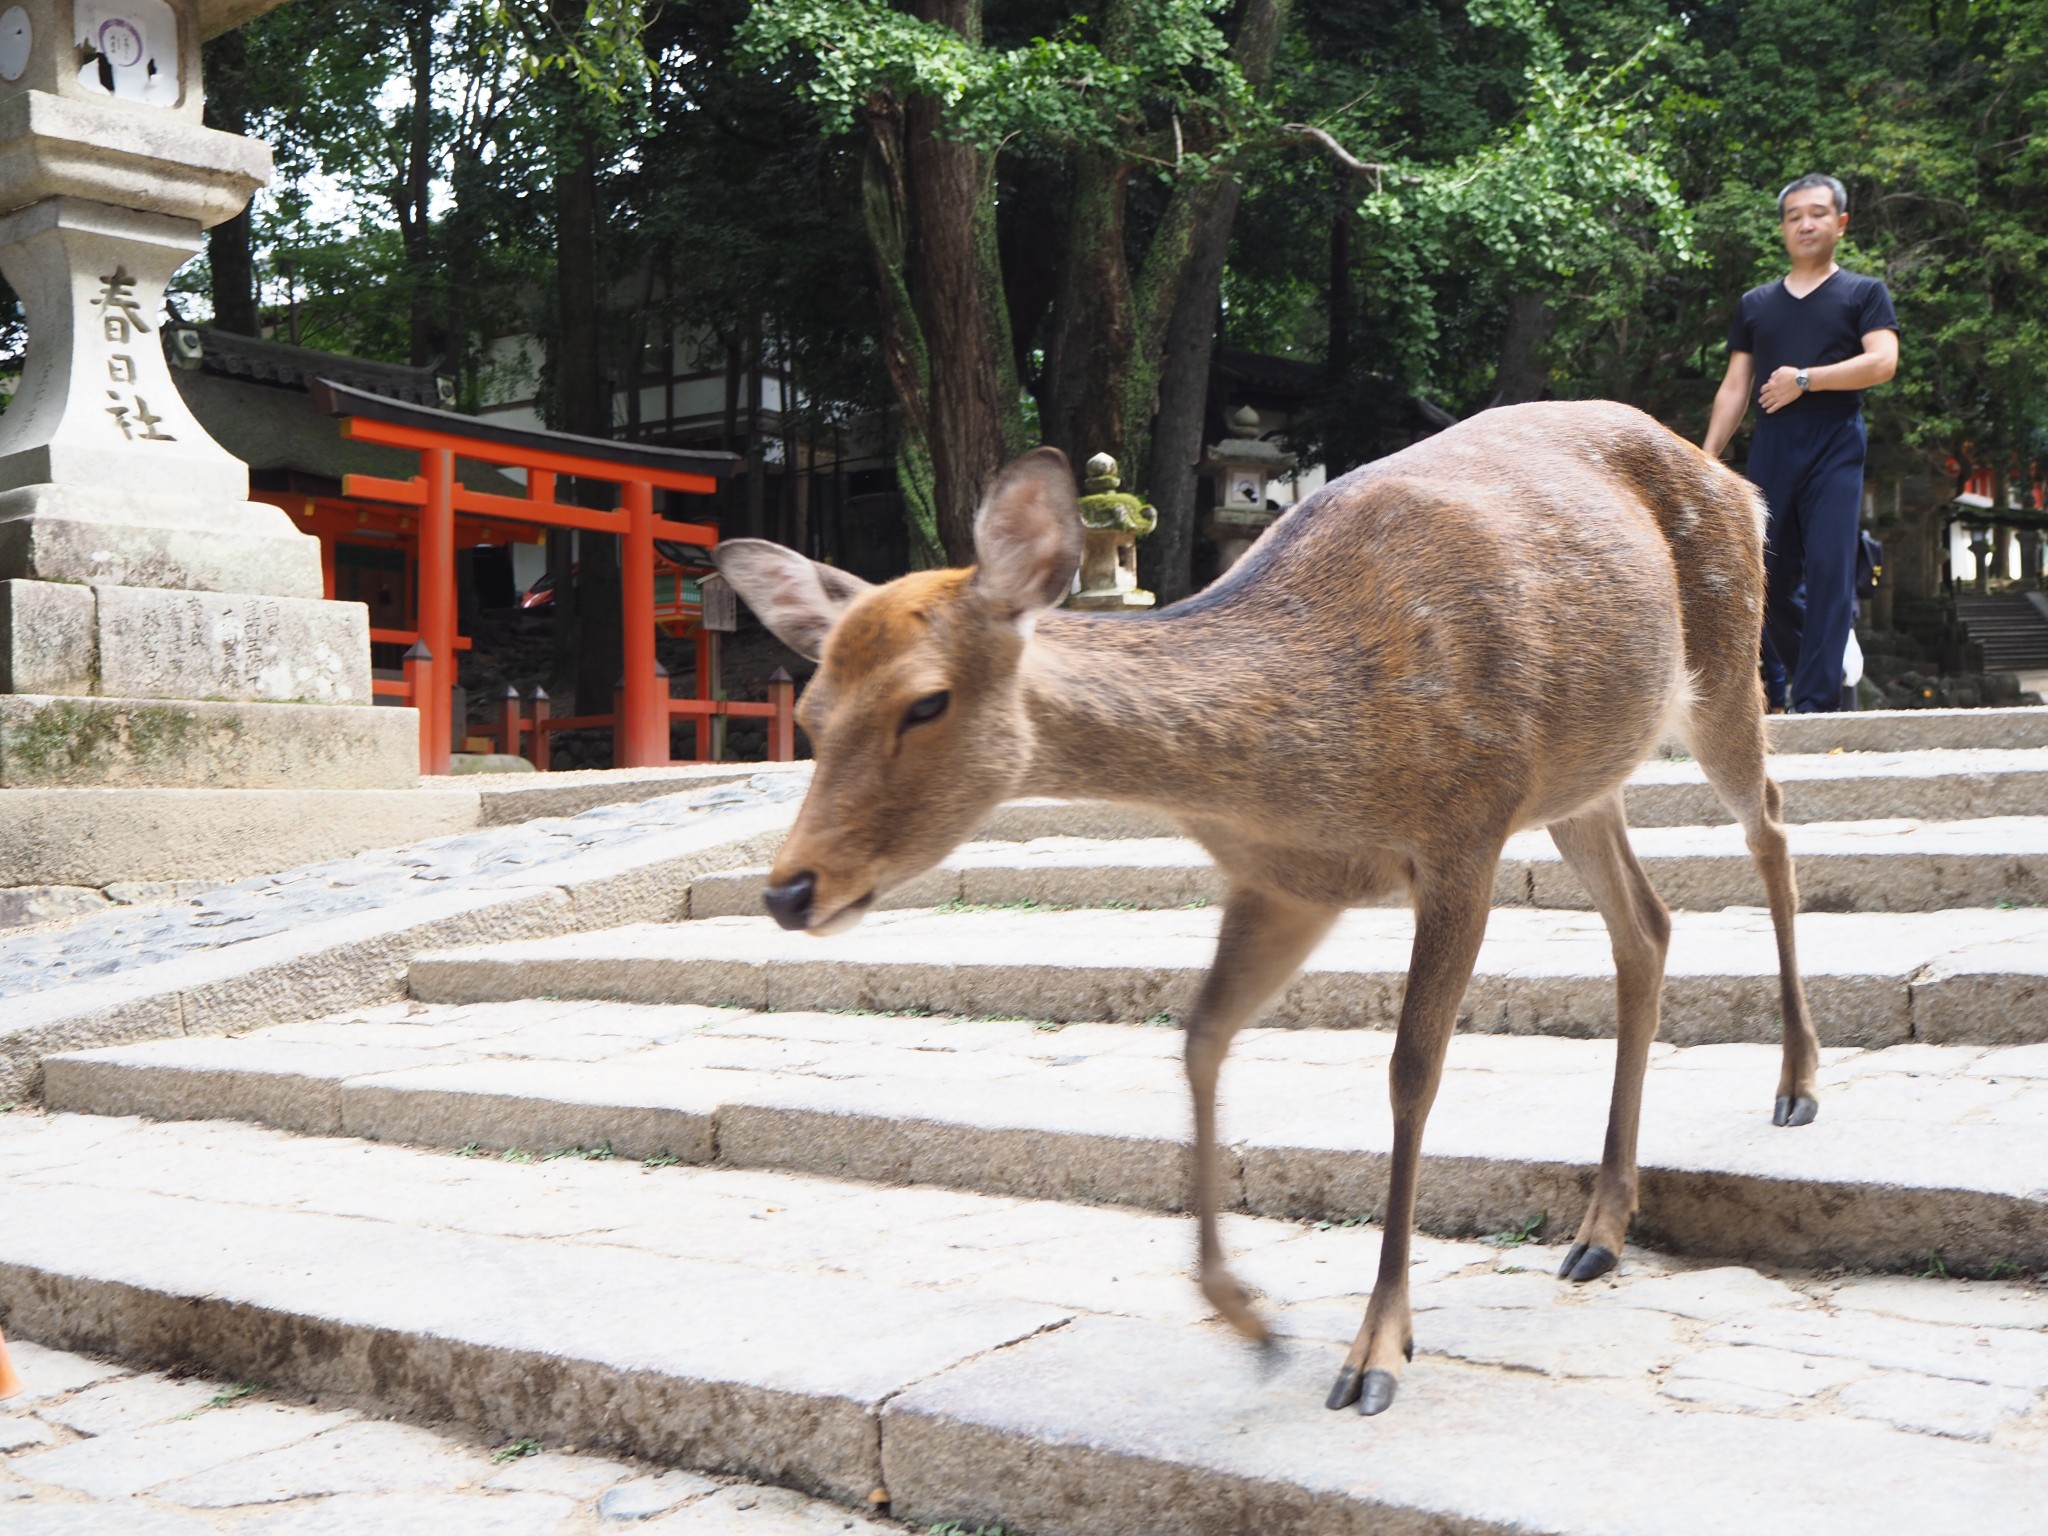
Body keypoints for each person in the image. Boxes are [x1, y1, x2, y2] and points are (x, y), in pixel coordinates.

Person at [1702, 173, 1899, 713]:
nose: (1805, 224)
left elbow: (1882, 361)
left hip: (1837, 439)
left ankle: (1816, 703)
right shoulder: (1757, 304)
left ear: (1840, 223)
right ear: (1784, 228)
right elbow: (1736, 386)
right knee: (1768, 575)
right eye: (1794, 216)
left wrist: (1806, 379)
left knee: (1831, 569)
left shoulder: (1863, 293)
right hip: (1772, 442)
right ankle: (1821, 668)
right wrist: (1705, 459)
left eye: (1817, 213)